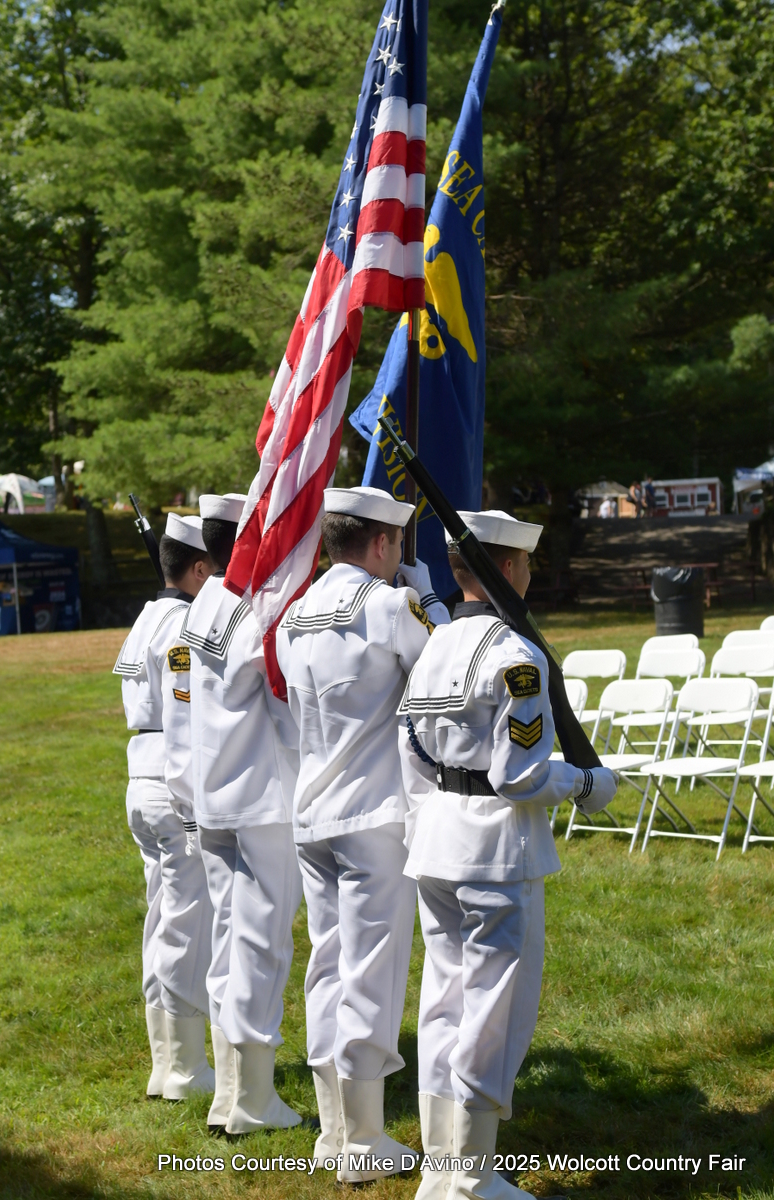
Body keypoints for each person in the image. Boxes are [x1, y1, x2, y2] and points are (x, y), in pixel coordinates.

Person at [398, 510, 618, 1200]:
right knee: (494, 1013)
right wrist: (584, 783)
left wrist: (425, 821)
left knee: (443, 1004)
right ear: (511, 568)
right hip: (495, 850)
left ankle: (441, 1167)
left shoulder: (432, 645)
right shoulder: (517, 657)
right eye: (526, 564)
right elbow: (518, 777)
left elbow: (411, 752)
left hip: (436, 839)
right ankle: (471, 1177)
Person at [276, 485, 450, 1185]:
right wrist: (427, 596)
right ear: (382, 543)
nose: (400, 554)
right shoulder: (390, 606)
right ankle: (365, 1141)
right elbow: (446, 670)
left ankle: (335, 1132)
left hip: (311, 812)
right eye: (398, 543)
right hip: (373, 816)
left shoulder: (293, 616)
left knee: (327, 970)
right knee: (370, 979)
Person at [179, 493, 303, 1136]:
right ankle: (252, 1099)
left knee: (229, 944)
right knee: (260, 947)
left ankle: (229, 1094)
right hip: (260, 801)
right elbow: (289, 705)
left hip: (215, 797)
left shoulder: (205, 603)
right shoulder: (255, 611)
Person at [113, 513, 216, 1101]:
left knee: (163, 919)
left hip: (142, 776)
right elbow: (182, 716)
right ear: (198, 569)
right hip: (174, 779)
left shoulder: (147, 616)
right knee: (186, 928)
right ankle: (183, 1068)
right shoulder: (183, 625)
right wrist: (192, 801)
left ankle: (166, 1062)